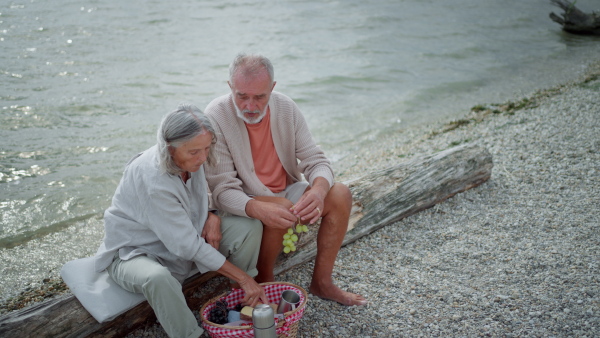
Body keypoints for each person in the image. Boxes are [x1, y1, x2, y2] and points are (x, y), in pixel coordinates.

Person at [204, 53, 367, 306]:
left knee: (340, 194)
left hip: (285, 192)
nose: (250, 106)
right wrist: (261, 207)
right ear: (229, 87)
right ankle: (267, 281)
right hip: (242, 200)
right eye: (242, 96)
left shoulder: (286, 107)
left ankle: (322, 283)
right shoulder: (216, 116)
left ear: (273, 88)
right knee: (278, 206)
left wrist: (318, 192)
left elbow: (316, 160)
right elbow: (222, 190)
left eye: (260, 96)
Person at [93, 104, 269, 338]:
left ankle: (243, 298)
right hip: (134, 252)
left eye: (207, 148)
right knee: (158, 278)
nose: (203, 157)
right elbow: (186, 246)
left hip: (184, 236)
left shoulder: (191, 159)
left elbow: (197, 199)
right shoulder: (153, 179)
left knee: (249, 227)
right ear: (170, 148)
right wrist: (244, 276)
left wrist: (211, 214)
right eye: (194, 151)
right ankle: (190, 334)